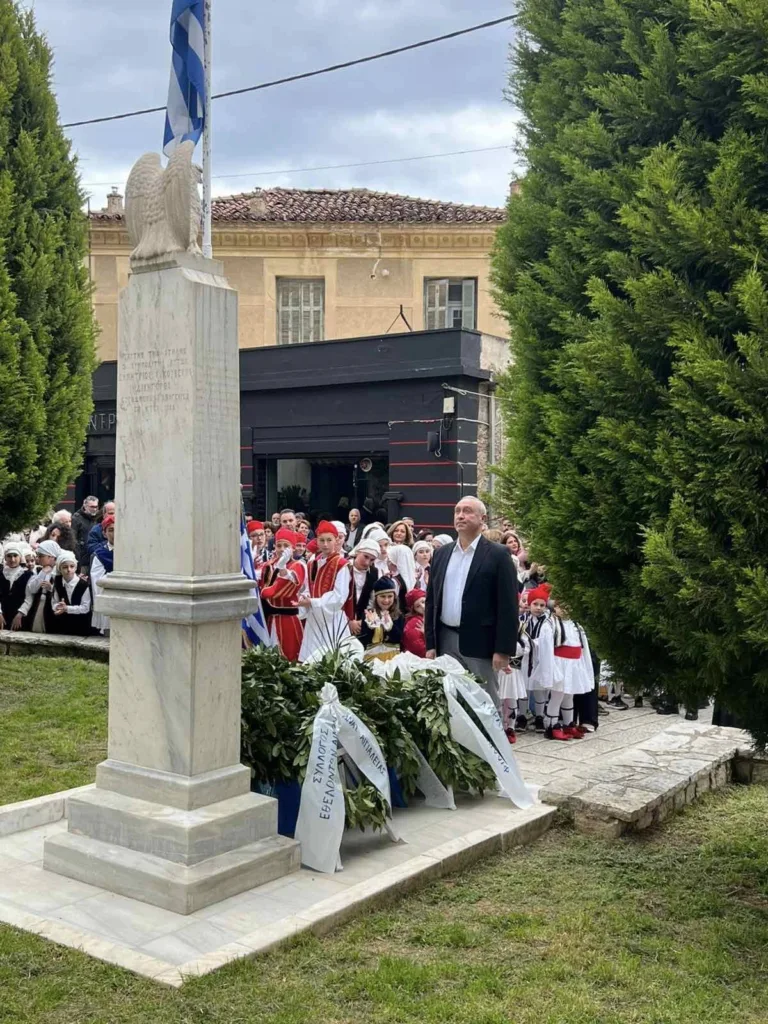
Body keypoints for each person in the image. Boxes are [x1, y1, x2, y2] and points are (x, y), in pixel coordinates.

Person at [425, 497, 519, 708]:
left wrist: (503, 649)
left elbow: (508, 606)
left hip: (481, 643)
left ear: (482, 518)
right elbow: (432, 601)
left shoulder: (498, 554)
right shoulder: (441, 553)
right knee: (451, 702)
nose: (460, 515)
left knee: (484, 702)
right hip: (446, 639)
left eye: (467, 511)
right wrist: (431, 643)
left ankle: (490, 741)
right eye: (457, 511)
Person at [542, 597, 595, 741]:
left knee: (569, 695)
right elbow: (546, 648)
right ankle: (552, 726)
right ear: (555, 607)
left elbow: (584, 648)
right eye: (562, 606)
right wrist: (550, 669)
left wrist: (584, 666)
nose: (565, 610)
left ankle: (568, 724)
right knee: (557, 695)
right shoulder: (550, 624)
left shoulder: (576, 625)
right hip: (559, 664)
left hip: (574, 664)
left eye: (569, 607)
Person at [298, 521, 350, 660]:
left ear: (336, 540)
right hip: (315, 617)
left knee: (332, 657)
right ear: (317, 541)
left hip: (332, 618)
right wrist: (304, 599)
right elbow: (308, 588)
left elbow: (340, 596)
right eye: (322, 540)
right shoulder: (312, 563)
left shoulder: (341, 565)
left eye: (329, 540)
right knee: (311, 658)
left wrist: (313, 602)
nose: (325, 544)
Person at [260, 529, 306, 661]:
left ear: (292, 548)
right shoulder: (268, 565)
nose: (282, 549)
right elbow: (263, 592)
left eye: (286, 546)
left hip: (288, 621)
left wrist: (282, 568)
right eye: (279, 545)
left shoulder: (298, 565)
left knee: (290, 656)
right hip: (270, 620)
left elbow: (278, 591)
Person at [523, 583, 555, 732]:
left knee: (539, 688)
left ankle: (539, 716)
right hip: (524, 658)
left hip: (540, 658)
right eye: (535, 604)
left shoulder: (548, 622)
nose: (538, 608)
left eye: (542, 605)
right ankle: (521, 716)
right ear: (529, 604)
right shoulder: (523, 619)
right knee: (523, 687)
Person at [44, 550, 93, 636]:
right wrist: (58, 607)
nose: (69, 570)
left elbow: (85, 608)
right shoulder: (58, 583)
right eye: (65, 567)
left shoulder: (83, 585)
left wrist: (67, 608)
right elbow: (54, 603)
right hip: (63, 626)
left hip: (81, 626)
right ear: (60, 568)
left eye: (72, 566)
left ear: (75, 567)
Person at [359, 576, 404, 663]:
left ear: (394, 597)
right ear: (376, 597)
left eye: (390, 596)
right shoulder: (368, 614)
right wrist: (371, 627)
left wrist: (390, 627)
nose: (386, 600)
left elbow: (399, 639)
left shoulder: (398, 615)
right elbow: (364, 641)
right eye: (382, 596)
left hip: (393, 659)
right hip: (372, 660)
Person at [23, 539, 61, 633]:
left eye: (41, 556)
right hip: (39, 605)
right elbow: (32, 588)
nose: (38, 559)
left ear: (51, 556)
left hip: (52, 607)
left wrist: (51, 588)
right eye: (38, 556)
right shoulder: (39, 570)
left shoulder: (60, 571)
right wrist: (42, 573)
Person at [344, 539, 379, 635]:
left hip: (362, 621)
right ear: (358, 552)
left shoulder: (374, 572)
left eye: (372, 560)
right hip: (342, 619)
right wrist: (348, 621)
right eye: (365, 557)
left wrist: (363, 620)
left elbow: (373, 600)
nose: (367, 563)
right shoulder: (344, 567)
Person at [0, 541, 34, 631]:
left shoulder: (28, 575)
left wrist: (20, 614)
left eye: (15, 556)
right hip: (2, 616)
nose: (12, 559)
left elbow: (29, 598)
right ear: (5, 557)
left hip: (20, 618)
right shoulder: (1, 574)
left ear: (20, 557)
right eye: (9, 556)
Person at [90, 515, 115, 636]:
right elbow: (98, 581)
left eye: (117, 529)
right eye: (110, 530)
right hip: (110, 599)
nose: (115, 533)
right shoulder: (101, 554)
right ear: (104, 533)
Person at [72, 497, 101, 571]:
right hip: (82, 560)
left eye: (96, 507)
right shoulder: (76, 519)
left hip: (94, 559)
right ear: (85, 506)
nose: (94, 509)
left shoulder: (96, 519)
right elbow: (73, 539)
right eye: (92, 507)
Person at [86, 501, 116, 567]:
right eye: (111, 513)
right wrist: (109, 543)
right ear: (104, 515)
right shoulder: (96, 530)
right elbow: (91, 549)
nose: (114, 515)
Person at [401, 588, 427, 657]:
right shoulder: (414, 623)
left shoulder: (433, 617)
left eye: (423, 602)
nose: (423, 607)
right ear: (414, 610)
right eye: (418, 606)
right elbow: (418, 649)